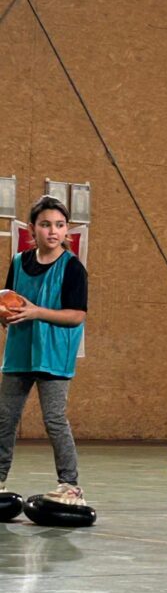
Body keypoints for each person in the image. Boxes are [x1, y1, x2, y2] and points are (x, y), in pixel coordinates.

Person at [0, 195, 88, 503]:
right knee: (4, 417)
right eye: (46, 224)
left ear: (67, 231)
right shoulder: (18, 262)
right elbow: (9, 298)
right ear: (32, 229)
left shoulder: (73, 268)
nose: (53, 231)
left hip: (54, 355)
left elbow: (76, 315)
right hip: (20, 352)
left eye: (60, 225)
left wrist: (37, 312)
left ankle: (70, 485)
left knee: (54, 418)